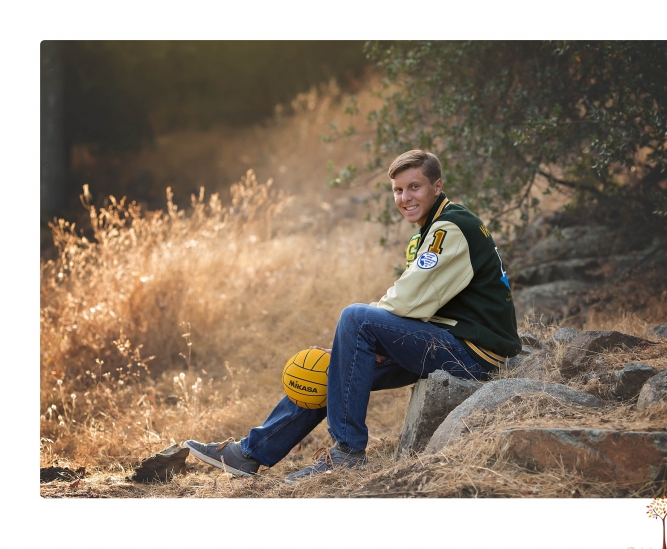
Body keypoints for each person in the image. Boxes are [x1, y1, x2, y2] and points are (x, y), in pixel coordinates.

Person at [183, 150, 522, 482]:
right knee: (328, 369)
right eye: (398, 190)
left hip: (472, 354)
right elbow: (424, 302)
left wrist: (359, 338)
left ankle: (347, 453)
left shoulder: (450, 228)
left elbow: (409, 297)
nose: (405, 197)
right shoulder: (430, 230)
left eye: (414, 187)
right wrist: (352, 351)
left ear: (437, 186)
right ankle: (250, 453)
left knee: (355, 319)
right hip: (450, 342)